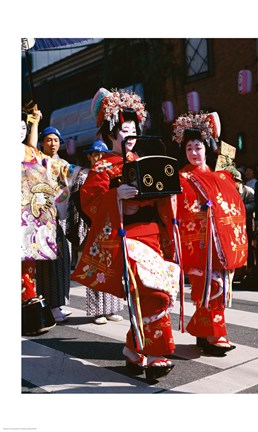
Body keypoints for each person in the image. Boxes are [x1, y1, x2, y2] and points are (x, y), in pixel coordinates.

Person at [72, 88, 180, 380]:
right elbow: (90, 203)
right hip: (126, 237)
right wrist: (116, 196)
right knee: (151, 292)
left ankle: (134, 349)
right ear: (109, 134)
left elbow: (165, 201)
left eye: (133, 130)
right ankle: (157, 351)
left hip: (152, 236)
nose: (129, 136)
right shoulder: (103, 167)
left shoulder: (147, 160)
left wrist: (168, 194)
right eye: (123, 130)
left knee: (150, 292)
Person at [172, 112, 248, 355]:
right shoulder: (181, 178)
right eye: (189, 148)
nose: (194, 153)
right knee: (208, 289)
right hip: (199, 245)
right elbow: (176, 209)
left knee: (220, 288)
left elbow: (234, 205)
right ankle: (214, 335)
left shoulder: (221, 176)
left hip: (221, 245)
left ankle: (205, 333)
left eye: (198, 147)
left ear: (207, 149)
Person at [28, 126, 86, 322]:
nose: (52, 143)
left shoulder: (62, 163)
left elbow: (76, 179)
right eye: (48, 140)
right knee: (48, 263)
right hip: (43, 218)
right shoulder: (38, 160)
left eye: (55, 140)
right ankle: (51, 305)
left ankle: (56, 303)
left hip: (61, 218)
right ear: (42, 143)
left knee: (61, 260)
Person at [66, 139, 124, 325]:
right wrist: (85, 224)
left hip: (111, 222)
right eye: (96, 154)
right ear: (90, 156)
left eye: (102, 154)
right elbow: (79, 204)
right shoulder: (84, 175)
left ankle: (112, 308)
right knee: (96, 267)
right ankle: (97, 311)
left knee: (113, 264)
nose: (99, 157)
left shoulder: (112, 170)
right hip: (93, 223)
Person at [21, 105, 57, 334]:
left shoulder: (29, 152)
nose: (20, 131)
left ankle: (29, 301)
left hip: (26, 215)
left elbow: (33, 147)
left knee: (27, 262)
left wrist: (34, 123)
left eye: (23, 128)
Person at [233, 169, 256, 275]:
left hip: (247, 221)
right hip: (235, 224)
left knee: (249, 245)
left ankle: (251, 268)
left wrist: (240, 208)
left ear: (239, 181)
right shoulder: (230, 191)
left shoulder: (248, 191)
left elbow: (253, 204)